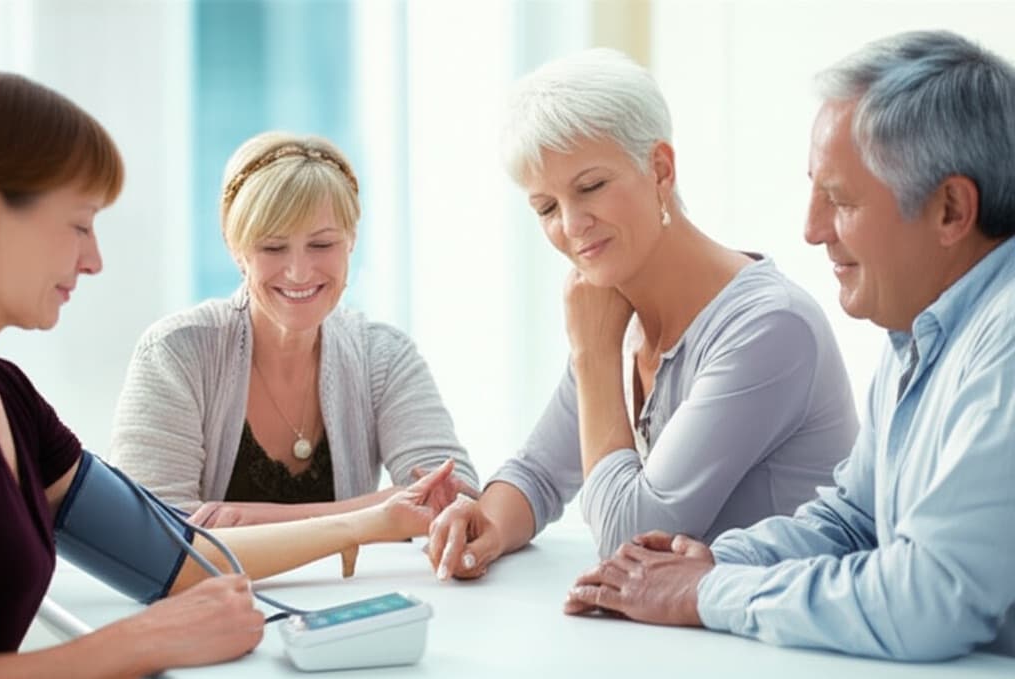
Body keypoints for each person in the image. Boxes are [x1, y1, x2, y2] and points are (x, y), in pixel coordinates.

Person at [0, 70, 464, 675]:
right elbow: (173, 530)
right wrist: (139, 643)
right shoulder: (180, 349)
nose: (94, 259)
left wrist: (371, 518)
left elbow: (172, 549)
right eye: (80, 224)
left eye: (321, 244)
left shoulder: (12, 401)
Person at [563, 30, 1015, 661]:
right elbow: (855, 521)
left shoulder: (1005, 346)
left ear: (950, 210)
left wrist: (707, 592)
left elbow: (927, 600)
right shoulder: (920, 329)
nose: (810, 230)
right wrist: (713, 559)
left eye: (839, 200)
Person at [428, 48, 858, 581]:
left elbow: (631, 539)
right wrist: (483, 523)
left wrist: (592, 355)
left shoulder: (770, 327)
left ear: (659, 168)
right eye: (546, 207)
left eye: (591, 187)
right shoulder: (619, 315)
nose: (572, 223)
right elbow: (539, 473)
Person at [110, 130, 478, 527]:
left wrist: (245, 520)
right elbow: (146, 529)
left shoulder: (383, 356)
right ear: (235, 248)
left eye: (322, 245)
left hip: (351, 592)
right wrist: (379, 512)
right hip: (217, 591)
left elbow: (452, 496)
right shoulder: (175, 352)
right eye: (272, 248)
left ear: (352, 240)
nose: (299, 272)